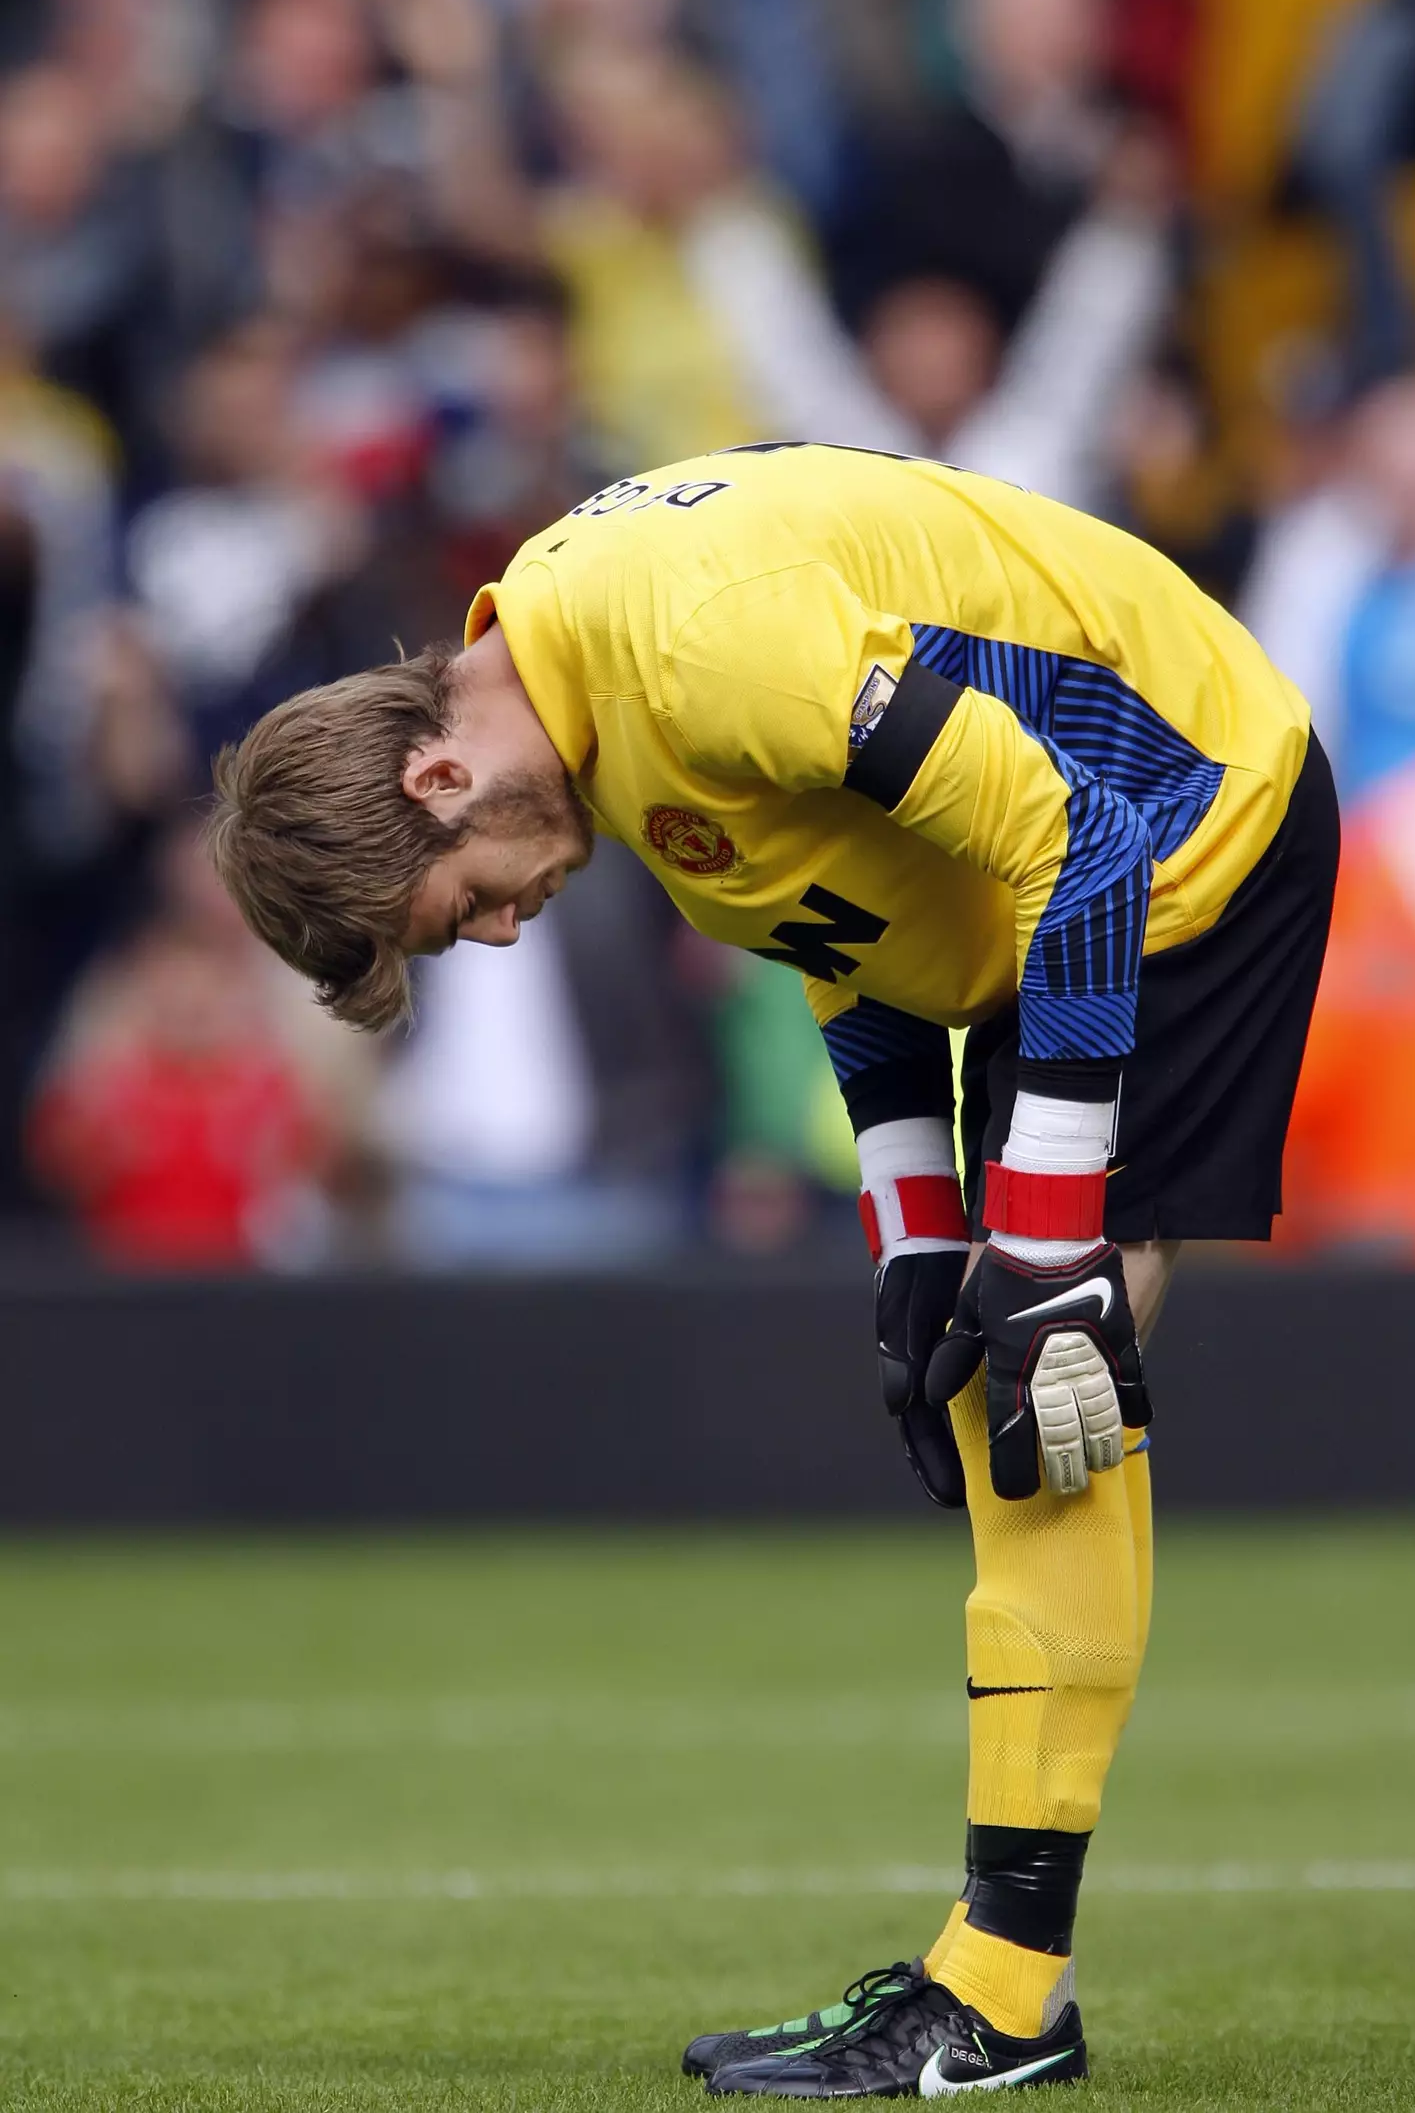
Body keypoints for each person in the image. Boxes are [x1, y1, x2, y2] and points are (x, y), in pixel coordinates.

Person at [206, 442, 1337, 2096]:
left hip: (1185, 821)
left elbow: (1082, 841)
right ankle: (1001, 1982)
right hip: (1054, 899)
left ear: (437, 782)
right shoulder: (594, 718)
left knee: (1046, 1402)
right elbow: (849, 927)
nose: (507, 933)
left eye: (462, 917)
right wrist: (915, 1234)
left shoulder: (694, 644)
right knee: (1002, 1377)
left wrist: (1044, 1246)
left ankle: (1005, 2000)